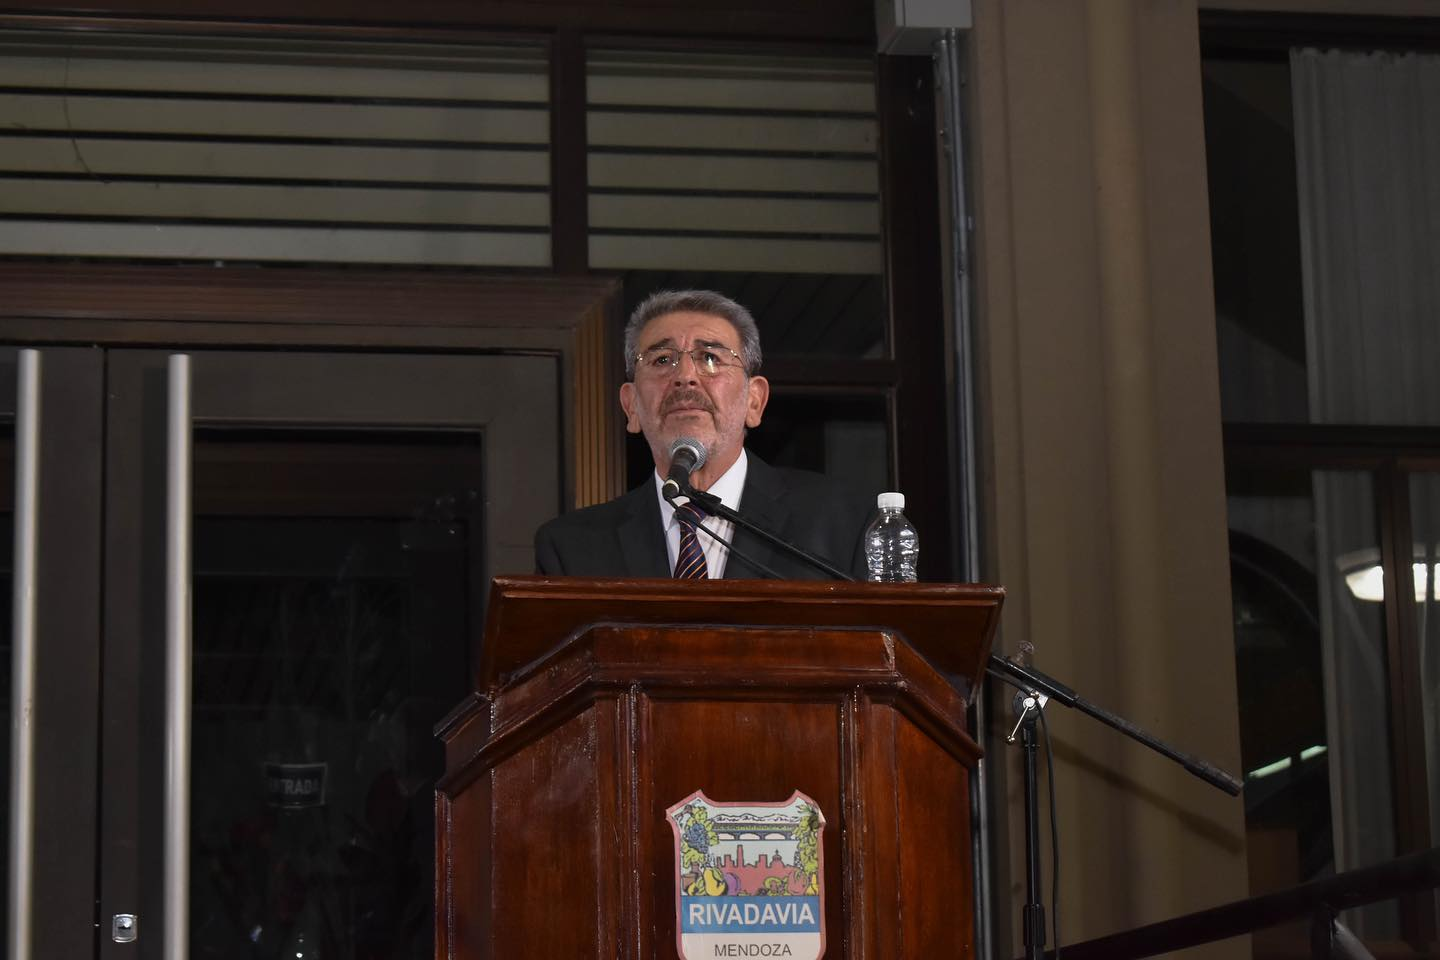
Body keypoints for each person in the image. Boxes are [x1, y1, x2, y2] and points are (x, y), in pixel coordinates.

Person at [534, 289, 873, 580]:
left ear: (754, 401)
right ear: (631, 406)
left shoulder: (847, 525)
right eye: (662, 360)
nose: (685, 376)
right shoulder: (572, 548)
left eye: (710, 357)